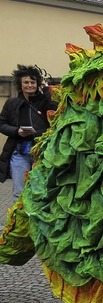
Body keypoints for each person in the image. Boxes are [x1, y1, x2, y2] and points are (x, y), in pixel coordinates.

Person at [0, 65, 57, 201]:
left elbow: (55, 116)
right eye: (26, 82)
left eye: (33, 82)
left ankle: (36, 222)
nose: (30, 85)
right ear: (20, 84)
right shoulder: (11, 103)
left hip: (41, 153)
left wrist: (47, 90)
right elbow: (1, 123)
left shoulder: (45, 102)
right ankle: (19, 222)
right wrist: (16, 131)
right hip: (19, 154)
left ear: (37, 83)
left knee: (41, 192)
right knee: (19, 194)